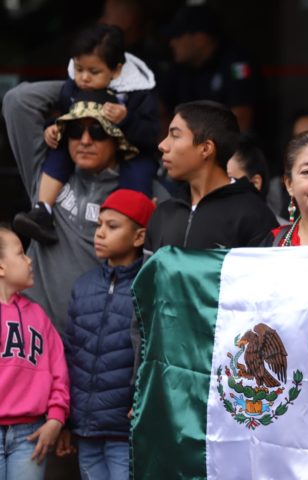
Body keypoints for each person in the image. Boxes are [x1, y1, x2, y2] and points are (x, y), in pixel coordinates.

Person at [2, 81, 168, 335]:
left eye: (99, 132)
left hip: (95, 342)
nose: (85, 140)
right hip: (32, 336)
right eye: (75, 130)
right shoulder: (45, 175)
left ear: (117, 138)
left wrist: (119, 86)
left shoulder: (143, 192)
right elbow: (18, 100)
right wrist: (87, 84)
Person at [13, 24, 159, 245]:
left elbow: (150, 134)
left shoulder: (137, 92)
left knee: (138, 177)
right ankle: (43, 211)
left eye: (94, 72)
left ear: (116, 70)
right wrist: (53, 128)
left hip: (133, 150)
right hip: (80, 155)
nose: (84, 78)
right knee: (59, 151)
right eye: (79, 69)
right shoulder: (73, 87)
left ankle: (133, 234)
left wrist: (126, 119)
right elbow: (65, 114)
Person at [55, 189, 154, 479]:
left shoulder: (148, 286)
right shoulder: (83, 286)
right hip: (86, 428)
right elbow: (70, 354)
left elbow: (153, 353)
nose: (99, 233)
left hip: (127, 429)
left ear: (139, 237)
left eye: (112, 226)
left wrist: (142, 401)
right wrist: (65, 420)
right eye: (99, 225)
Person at [145, 100, 278, 253]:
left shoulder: (254, 216)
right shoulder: (163, 213)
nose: (162, 145)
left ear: (206, 148)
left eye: (175, 135)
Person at [0, 226, 70, 479]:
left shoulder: (39, 315)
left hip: (30, 434)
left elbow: (59, 372)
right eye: (21, 253)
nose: (30, 260)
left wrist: (56, 419)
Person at [159, 5, 257, 133]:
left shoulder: (236, 63)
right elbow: (159, 109)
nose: (172, 43)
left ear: (200, 39)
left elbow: (241, 120)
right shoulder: (180, 67)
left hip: (221, 143)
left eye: (178, 36)